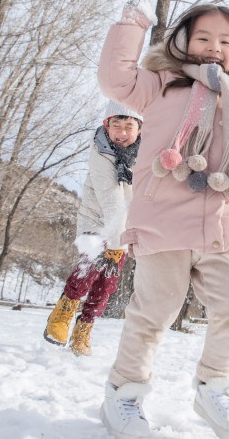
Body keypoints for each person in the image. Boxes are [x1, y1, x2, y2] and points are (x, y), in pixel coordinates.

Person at [95, 0, 229, 439]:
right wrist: (132, 23)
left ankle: (214, 388)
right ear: (182, 41)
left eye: (225, 40)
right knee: (153, 313)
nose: (215, 47)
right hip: (165, 221)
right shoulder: (161, 84)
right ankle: (124, 395)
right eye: (203, 37)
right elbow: (114, 78)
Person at [43, 101, 142, 356]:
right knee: (93, 264)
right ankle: (64, 312)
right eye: (116, 125)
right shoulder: (100, 151)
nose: (122, 132)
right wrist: (116, 243)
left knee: (107, 283)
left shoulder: (145, 155)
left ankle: (84, 328)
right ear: (105, 126)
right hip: (97, 220)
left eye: (129, 126)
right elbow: (111, 199)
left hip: (122, 226)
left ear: (140, 129)